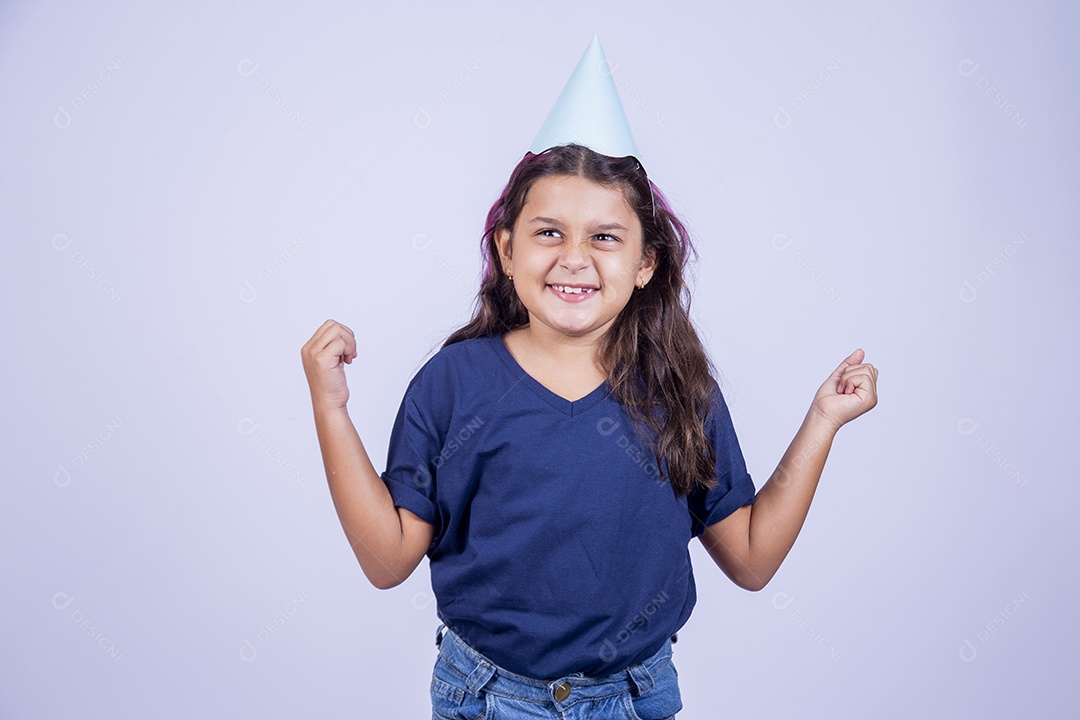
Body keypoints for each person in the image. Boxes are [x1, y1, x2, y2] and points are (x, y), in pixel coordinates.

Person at [300, 40, 878, 720]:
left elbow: (751, 558)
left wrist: (821, 421)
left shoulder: (678, 390)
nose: (574, 259)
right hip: (487, 699)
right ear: (507, 250)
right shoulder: (452, 384)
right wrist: (331, 409)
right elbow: (387, 559)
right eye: (549, 232)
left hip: (633, 701)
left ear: (646, 264)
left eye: (605, 237)